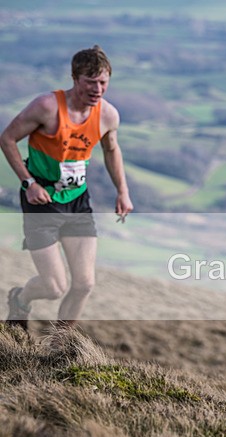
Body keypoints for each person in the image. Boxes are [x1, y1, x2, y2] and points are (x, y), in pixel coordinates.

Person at [1, 45, 133, 332]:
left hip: (77, 202)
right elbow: (8, 138)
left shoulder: (108, 115)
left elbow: (112, 150)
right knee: (54, 286)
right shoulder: (47, 107)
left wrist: (122, 191)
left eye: (103, 82)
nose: (98, 89)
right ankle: (20, 299)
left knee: (84, 284)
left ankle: (59, 344)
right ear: (75, 78)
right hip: (41, 203)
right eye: (90, 81)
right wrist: (29, 183)